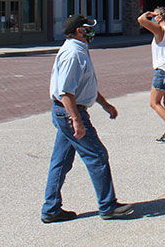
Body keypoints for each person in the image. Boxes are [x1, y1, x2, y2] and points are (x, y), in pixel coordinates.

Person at [41, 15, 132, 223]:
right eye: (89, 28)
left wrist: (104, 104)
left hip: (69, 111)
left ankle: (51, 209)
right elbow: (65, 92)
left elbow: (84, 85)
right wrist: (76, 119)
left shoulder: (79, 49)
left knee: (60, 162)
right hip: (70, 112)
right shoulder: (73, 53)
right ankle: (108, 206)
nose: (93, 31)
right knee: (97, 155)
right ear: (80, 31)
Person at [138, 5, 165, 145]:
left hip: (162, 70)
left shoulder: (161, 30)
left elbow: (141, 20)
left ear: (160, 17)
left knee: (154, 103)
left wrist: (149, 14)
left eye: (156, 16)